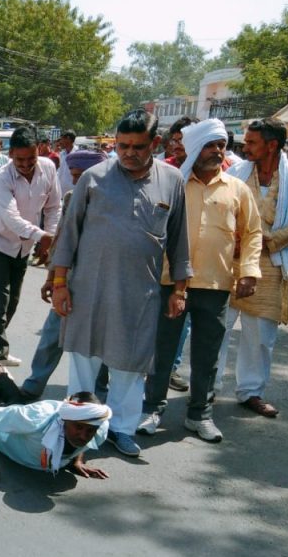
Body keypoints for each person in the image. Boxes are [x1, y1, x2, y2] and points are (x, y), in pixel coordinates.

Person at [50, 109, 192, 457]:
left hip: (139, 293)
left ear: (154, 144)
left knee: (130, 365)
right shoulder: (94, 178)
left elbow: (179, 240)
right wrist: (59, 283)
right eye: (122, 145)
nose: (128, 152)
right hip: (89, 289)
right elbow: (69, 235)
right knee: (84, 360)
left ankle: (121, 429)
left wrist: (179, 290)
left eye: (138, 146)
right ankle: (76, 427)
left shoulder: (172, 180)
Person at [136, 119, 262, 443]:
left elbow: (251, 234)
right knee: (162, 351)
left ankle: (199, 415)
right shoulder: (173, 183)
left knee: (207, 357)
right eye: (210, 145)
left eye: (221, 145)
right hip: (170, 282)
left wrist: (248, 271)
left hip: (216, 285)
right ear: (195, 148)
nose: (218, 151)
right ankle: (151, 408)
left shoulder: (237, 189)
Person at [217, 117, 288, 418]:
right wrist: (231, 237)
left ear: (272, 145)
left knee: (259, 337)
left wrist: (265, 241)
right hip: (228, 261)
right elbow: (220, 206)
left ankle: (251, 392)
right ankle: (206, 389)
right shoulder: (236, 172)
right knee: (216, 330)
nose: (245, 148)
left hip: (270, 264)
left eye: (252, 143)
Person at [20, 149, 108, 401]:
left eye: (83, 175)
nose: (79, 181)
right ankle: (34, 385)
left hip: (101, 285)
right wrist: (51, 278)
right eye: (74, 175)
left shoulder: (114, 201)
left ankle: (97, 395)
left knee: (99, 344)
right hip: (68, 282)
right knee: (52, 336)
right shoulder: (71, 198)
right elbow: (60, 242)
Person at [0, 125, 61, 365]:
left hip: (23, 247)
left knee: (12, 301)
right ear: (11, 153)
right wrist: (40, 236)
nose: (26, 165)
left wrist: (50, 236)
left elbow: (53, 206)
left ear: (40, 151)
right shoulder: (1, 177)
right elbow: (10, 217)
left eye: (31, 159)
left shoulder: (48, 168)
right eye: (20, 160)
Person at [0, 392, 111, 484]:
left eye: (90, 431)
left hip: (21, 415)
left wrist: (77, 461)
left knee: (14, 396)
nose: (83, 436)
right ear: (65, 420)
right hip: (5, 423)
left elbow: (84, 440)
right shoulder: (35, 419)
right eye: (79, 427)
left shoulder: (100, 428)